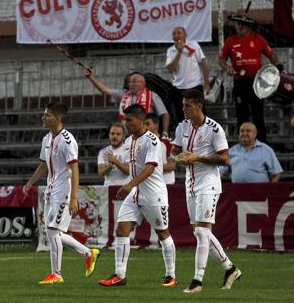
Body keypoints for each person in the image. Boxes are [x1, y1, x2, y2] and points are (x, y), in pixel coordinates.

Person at [98, 104, 177, 288]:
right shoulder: (129, 141)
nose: (126, 123)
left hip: (154, 195)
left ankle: (171, 275)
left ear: (140, 120)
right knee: (121, 229)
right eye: (125, 119)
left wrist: (130, 184)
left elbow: (150, 167)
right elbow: (130, 168)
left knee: (163, 233)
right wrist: (120, 170)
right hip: (136, 193)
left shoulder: (152, 141)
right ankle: (119, 275)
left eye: (129, 120)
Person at [171, 89, 241, 293]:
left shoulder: (214, 129)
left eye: (187, 105)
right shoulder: (182, 126)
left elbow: (225, 159)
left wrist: (198, 158)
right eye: (183, 104)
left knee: (202, 231)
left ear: (198, 106)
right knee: (199, 231)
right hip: (190, 183)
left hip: (208, 183)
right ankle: (230, 268)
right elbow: (175, 150)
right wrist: (178, 158)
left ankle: (197, 280)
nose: (183, 108)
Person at [23, 102, 100, 284]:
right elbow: (43, 166)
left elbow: (75, 169)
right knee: (53, 233)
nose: (43, 118)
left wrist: (74, 197)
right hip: (51, 191)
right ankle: (88, 253)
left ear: (58, 118)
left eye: (47, 115)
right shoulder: (46, 139)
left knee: (52, 230)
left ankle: (57, 274)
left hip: (64, 192)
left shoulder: (67, 140)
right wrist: (30, 183)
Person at [218, 14, 282, 143]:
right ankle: (245, 144)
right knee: (242, 116)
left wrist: (278, 70)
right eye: (237, 24)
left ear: (249, 26)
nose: (240, 26)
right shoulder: (230, 41)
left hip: (257, 84)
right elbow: (221, 60)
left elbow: (272, 56)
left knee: (258, 116)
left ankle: (262, 144)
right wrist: (228, 68)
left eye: (243, 24)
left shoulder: (258, 39)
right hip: (239, 84)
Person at [85, 69, 170, 138]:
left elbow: (164, 114)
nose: (132, 84)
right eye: (130, 82)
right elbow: (105, 91)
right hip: (129, 134)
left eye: (135, 82)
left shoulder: (152, 95)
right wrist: (91, 77)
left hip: (147, 134)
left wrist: (165, 132)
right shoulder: (124, 94)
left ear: (143, 83)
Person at [165, 26, 210, 123]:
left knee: (200, 114)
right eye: (174, 33)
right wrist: (179, 52)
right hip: (178, 88)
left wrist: (206, 83)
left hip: (195, 85)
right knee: (182, 116)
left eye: (179, 33)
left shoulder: (193, 45)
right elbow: (170, 69)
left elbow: (203, 63)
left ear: (185, 35)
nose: (176, 35)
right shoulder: (170, 50)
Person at [144, 113, 176, 184]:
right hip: (150, 183)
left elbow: (172, 166)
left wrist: (151, 167)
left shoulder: (167, 142)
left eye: (148, 124)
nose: (145, 127)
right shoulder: (142, 143)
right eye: (144, 125)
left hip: (166, 183)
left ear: (156, 125)